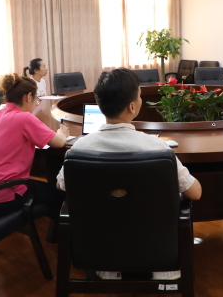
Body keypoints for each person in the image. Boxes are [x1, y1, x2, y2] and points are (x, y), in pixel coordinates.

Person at [56, 68, 202, 280]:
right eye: (140, 96)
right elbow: (195, 193)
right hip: (155, 246)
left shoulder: (79, 148)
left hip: (100, 245)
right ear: (132, 106)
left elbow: (60, 185)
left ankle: (110, 266)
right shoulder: (157, 148)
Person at [0, 73, 69, 217]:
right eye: (37, 100)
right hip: (2, 198)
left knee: (45, 190)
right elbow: (59, 142)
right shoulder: (24, 118)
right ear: (28, 97)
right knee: (60, 194)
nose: (36, 104)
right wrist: (63, 132)